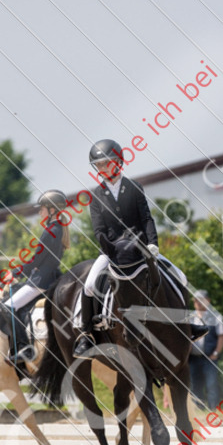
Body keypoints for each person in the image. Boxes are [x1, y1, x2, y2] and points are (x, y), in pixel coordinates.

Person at [74, 139, 190, 357]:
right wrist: (109, 249)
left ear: (118, 161)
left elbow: (146, 218)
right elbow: (98, 230)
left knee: (180, 277)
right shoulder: (96, 196)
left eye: (105, 163)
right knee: (89, 285)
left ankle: (188, 324)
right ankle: (86, 334)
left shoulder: (135, 188)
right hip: (113, 252)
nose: (101, 169)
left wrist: (153, 243)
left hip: (140, 249)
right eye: (98, 165)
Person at [1, 190, 70, 367]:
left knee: (7, 307)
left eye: (43, 208)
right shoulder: (59, 229)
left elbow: (36, 260)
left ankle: (24, 348)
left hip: (40, 281)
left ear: (53, 210)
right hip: (51, 277)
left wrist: (14, 273)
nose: (40, 211)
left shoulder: (50, 231)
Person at [188, 290, 223, 410]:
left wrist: (216, 353)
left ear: (208, 301)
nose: (198, 302)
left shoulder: (216, 317)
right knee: (195, 385)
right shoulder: (190, 317)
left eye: (201, 300)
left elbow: (221, 337)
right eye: (196, 300)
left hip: (209, 358)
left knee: (211, 385)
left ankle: (213, 409)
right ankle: (199, 409)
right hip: (193, 358)